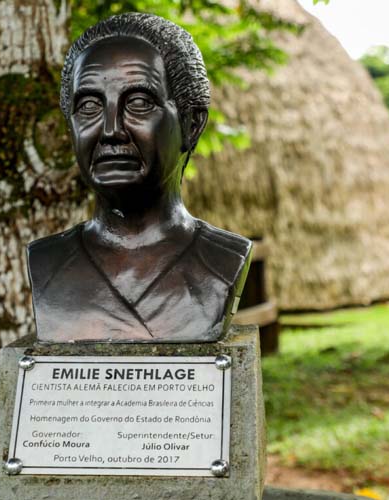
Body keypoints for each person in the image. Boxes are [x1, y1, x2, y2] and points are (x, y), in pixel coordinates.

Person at [28, 13, 251, 342]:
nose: (110, 130)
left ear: (191, 125)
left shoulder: (222, 262)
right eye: (89, 106)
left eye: (139, 102)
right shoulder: (46, 263)